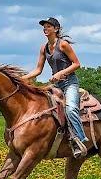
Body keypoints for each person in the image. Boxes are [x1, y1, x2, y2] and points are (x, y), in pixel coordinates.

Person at [23, 17, 89, 158]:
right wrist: (22, 78)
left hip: (70, 82)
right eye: (44, 27)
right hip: (56, 84)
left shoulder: (63, 45)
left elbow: (77, 64)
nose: (45, 29)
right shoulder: (44, 48)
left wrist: (60, 73)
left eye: (48, 26)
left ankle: (80, 140)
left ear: (56, 29)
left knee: (70, 109)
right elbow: (38, 70)